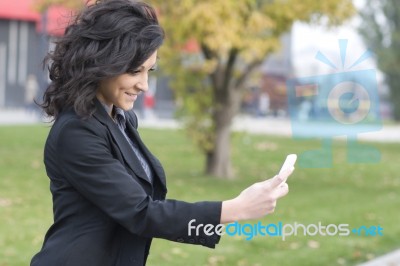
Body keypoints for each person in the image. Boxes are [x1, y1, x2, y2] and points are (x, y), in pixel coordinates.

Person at [30, 1, 292, 265]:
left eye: (149, 71)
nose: (144, 85)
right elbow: (140, 213)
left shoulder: (120, 118)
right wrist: (236, 209)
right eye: (135, 71)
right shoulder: (76, 132)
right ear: (101, 64)